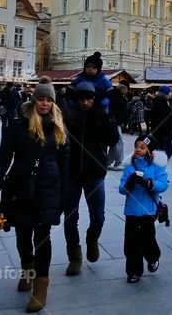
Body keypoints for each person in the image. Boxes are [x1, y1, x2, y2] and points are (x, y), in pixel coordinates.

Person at [0, 77, 68, 312]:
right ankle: (27, 269)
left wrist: (66, 196)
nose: (45, 103)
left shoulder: (59, 127)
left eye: (49, 99)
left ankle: (41, 288)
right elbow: (3, 159)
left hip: (48, 188)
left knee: (43, 237)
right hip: (19, 188)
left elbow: (65, 164)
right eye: (41, 98)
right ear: (34, 99)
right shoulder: (18, 126)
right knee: (22, 235)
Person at [62, 81, 119, 276]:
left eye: (89, 99)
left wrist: (108, 119)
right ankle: (75, 257)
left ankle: (92, 238)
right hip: (71, 174)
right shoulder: (68, 117)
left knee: (98, 216)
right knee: (70, 217)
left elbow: (112, 140)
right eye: (82, 99)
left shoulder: (102, 115)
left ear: (94, 99)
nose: (85, 102)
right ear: (76, 100)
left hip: (94, 173)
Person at [118, 137, 168, 283]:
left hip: (148, 211)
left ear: (149, 151)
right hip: (131, 211)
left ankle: (153, 257)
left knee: (148, 240)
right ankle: (134, 271)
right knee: (131, 242)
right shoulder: (129, 167)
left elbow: (163, 184)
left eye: (142, 147)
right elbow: (122, 189)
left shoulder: (157, 167)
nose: (138, 149)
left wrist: (149, 183)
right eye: (136, 146)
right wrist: (130, 183)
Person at [105, 81, 130, 171]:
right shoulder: (116, 96)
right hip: (113, 123)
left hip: (113, 122)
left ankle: (107, 162)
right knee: (119, 142)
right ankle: (118, 163)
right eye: (127, 89)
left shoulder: (113, 94)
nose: (127, 91)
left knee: (114, 143)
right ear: (123, 88)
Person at [148, 86, 172, 159]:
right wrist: (167, 132)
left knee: (164, 152)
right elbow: (163, 120)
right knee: (164, 152)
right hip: (163, 134)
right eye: (170, 92)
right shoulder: (162, 104)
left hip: (161, 133)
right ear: (166, 94)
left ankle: (159, 167)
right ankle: (159, 167)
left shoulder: (160, 102)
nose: (171, 93)